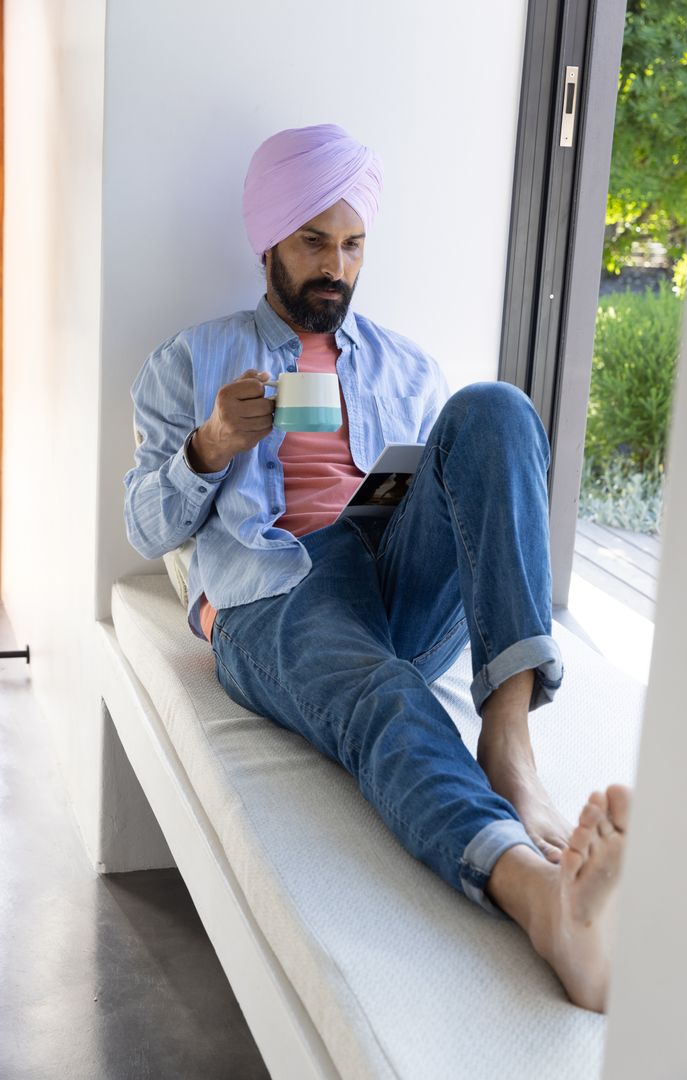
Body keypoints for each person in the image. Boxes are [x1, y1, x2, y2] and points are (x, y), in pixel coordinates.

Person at [124, 123, 630, 1013]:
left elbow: (449, 493)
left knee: (496, 408)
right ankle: (541, 900)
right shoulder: (192, 361)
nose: (337, 266)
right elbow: (140, 526)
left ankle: (508, 744)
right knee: (382, 690)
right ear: (269, 242)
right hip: (275, 586)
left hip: (384, 557)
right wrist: (210, 444)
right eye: (314, 241)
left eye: (353, 244)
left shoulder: (405, 363)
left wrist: (405, 499)